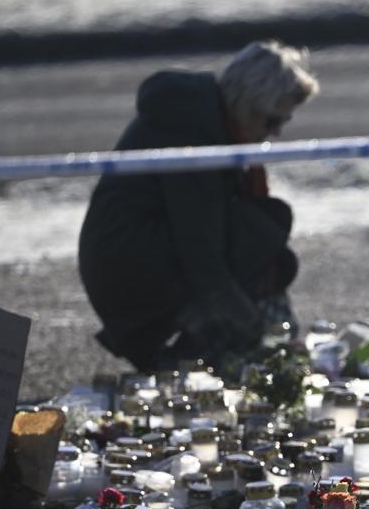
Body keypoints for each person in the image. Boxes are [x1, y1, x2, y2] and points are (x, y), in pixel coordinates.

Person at [79, 40, 320, 371]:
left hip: (143, 251)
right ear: (247, 104)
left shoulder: (210, 122)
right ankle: (202, 361)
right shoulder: (192, 134)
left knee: (268, 236)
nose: (275, 134)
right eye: (270, 122)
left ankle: (248, 351)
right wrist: (250, 326)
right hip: (128, 263)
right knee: (260, 237)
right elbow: (202, 252)